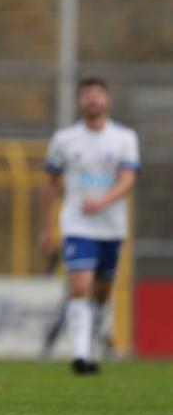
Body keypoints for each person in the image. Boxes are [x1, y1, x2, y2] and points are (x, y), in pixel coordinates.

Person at [39, 77, 139, 375]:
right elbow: (49, 183)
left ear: (107, 100)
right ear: (80, 101)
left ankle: (94, 345)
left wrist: (103, 201)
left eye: (98, 94)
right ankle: (81, 355)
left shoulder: (124, 138)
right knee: (80, 284)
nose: (93, 99)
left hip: (111, 226)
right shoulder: (64, 139)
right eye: (87, 95)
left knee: (103, 291)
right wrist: (46, 227)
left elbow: (128, 179)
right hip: (77, 224)